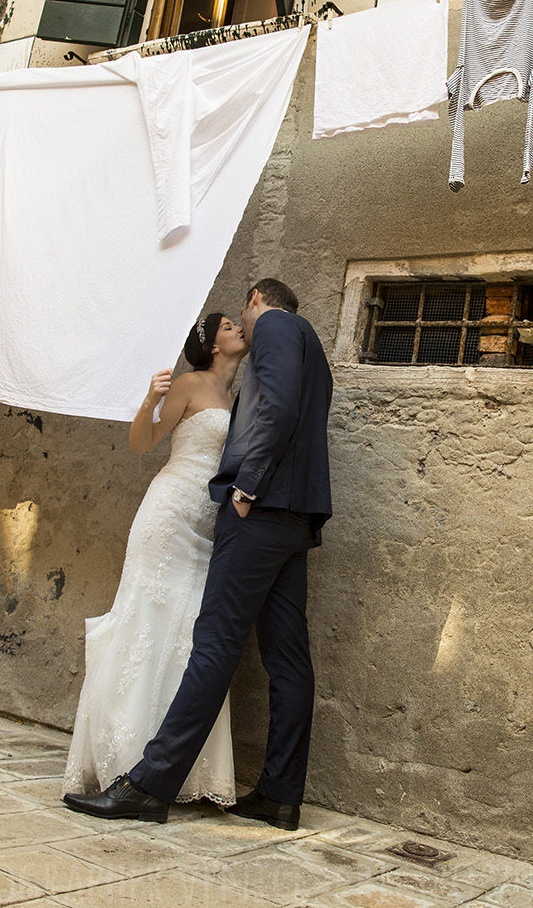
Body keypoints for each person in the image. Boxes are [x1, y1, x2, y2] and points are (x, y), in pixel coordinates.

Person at [64, 278, 333, 830]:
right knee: (286, 656)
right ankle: (281, 795)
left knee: (213, 645)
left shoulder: (278, 327)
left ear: (257, 299)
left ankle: (149, 783)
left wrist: (247, 488)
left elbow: (276, 410)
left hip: (258, 515)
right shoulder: (314, 352)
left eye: (243, 312)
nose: (242, 323)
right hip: (293, 520)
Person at [59, 312, 248, 807]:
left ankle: (169, 770)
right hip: (168, 515)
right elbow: (142, 443)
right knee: (146, 622)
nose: (239, 328)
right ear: (211, 343)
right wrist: (149, 399)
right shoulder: (190, 383)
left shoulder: (240, 396)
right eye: (229, 325)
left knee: (190, 636)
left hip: (209, 527)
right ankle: (122, 761)